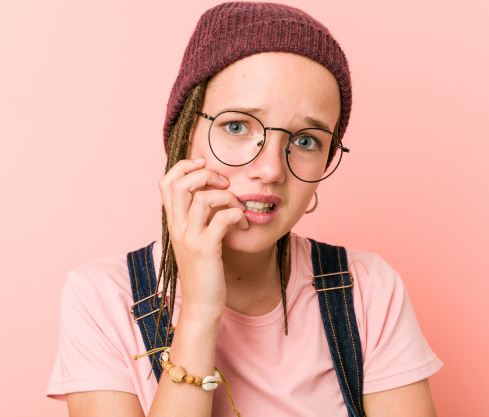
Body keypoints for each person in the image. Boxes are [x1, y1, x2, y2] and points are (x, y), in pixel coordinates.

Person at [46, 2, 442, 416]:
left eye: (306, 140)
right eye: (237, 127)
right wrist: (200, 309)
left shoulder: (367, 289)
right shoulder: (103, 299)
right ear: (183, 134)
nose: (270, 170)